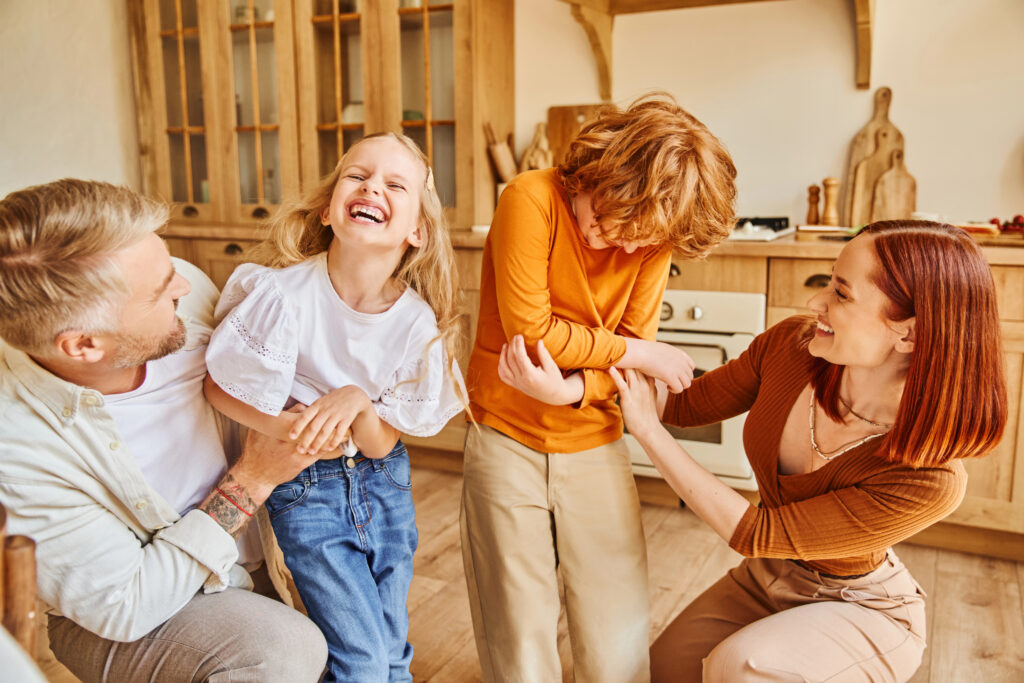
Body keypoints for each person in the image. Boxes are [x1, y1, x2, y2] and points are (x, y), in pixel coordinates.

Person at [605, 221, 1007, 681]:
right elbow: (683, 402)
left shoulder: (931, 479)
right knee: (651, 675)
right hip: (767, 576)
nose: (815, 302)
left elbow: (754, 532)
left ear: (910, 335)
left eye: (840, 292)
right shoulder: (794, 348)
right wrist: (601, 361)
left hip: (859, 606)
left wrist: (649, 433)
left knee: (739, 667)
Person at [0, 179, 328, 682]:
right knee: (281, 650)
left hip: (249, 557)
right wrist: (254, 479)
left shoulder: (190, 295)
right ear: (84, 344)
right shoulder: (17, 444)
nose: (183, 286)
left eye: (171, 267)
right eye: (160, 292)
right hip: (128, 614)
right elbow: (125, 604)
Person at [461, 93, 738, 682]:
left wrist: (568, 393)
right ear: (609, 171)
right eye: (623, 225)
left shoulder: (651, 240)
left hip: (593, 435)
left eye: (646, 241)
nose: (631, 249)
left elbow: (625, 375)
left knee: (616, 626)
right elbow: (533, 334)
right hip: (504, 433)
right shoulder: (529, 199)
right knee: (516, 621)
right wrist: (643, 350)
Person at [202, 132, 465, 682]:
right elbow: (219, 389)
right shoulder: (282, 296)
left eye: (396, 184)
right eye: (358, 175)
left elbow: (379, 444)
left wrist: (354, 402)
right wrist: (293, 429)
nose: (373, 186)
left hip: (384, 484)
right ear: (329, 208)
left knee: (391, 651)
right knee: (361, 660)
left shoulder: (416, 322)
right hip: (308, 488)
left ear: (417, 230)